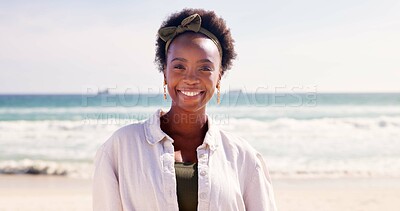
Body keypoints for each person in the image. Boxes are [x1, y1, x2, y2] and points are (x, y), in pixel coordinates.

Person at [93, 8, 277, 211]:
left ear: (219, 77)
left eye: (205, 68)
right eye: (179, 66)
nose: (190, 79)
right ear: (165, 73)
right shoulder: (120, 148)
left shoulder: (244, 158)